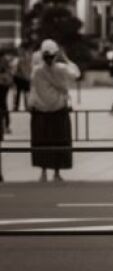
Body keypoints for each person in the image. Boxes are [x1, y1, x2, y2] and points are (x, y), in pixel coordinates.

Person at [29, 39, 80, 182]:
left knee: (42, 142)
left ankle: (43, 172)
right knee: (59, 142)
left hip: (41, 112)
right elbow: (76, 74)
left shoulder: (37, 70)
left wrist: (31, 104)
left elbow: (32, 90)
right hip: (58, 110)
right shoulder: (61, 68)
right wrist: (66, 58)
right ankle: (56, 173)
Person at [11, 46, 32, 111]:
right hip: (23, 79)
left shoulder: (22, 59)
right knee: (23, 93)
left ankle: (18, 106)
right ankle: (26, 106)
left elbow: (21, 69)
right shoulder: (24, 59)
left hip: (21, 79)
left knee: (20, 93)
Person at [0, 49, 13, 134]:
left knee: (3, 104)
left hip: (2, 83)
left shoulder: (3, 60)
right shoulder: (6, 60)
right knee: (4, 104)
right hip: (5, 84)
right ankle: (6, 126)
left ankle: (5, 126)